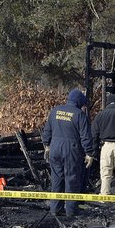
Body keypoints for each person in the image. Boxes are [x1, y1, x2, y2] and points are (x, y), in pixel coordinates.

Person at [41, 88, 96, 218]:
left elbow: (47, 131)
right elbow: (85, 136)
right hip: (71, 150)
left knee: (56, 179)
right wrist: (89, 153)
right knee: (72, 179)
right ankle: (71, 211)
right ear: (79, 102)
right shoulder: (79, 115)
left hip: (55, 148)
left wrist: (47, 146)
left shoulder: (55, 111)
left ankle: (55, 209)